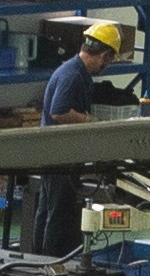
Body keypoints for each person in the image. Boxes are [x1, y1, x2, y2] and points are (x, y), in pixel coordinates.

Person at [24, 17, 127, 259]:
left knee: (47, 211)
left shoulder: (73, 70)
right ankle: (52, 262)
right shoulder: (73, 75)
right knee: (58, 214)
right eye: (109, 60)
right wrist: (91, 122)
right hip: (59, 155)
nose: (107, 66)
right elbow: (59, 111)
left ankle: (38, 259)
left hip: (54, 152)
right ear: (104, 56)